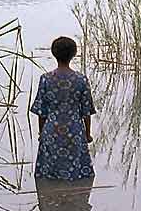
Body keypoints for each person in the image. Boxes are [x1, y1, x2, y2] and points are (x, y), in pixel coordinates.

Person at [30, 36, 96, 181]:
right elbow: (86, 111)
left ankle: (51, 196)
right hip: (75, 130)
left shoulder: (46, 79)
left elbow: (42, 111)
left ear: (53, 53)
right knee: (78, 174)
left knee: (48, 174)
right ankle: (75, 199)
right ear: (74, 54)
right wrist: (88, 134)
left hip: (51, 129)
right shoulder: (81, 79)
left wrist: (42, 133)